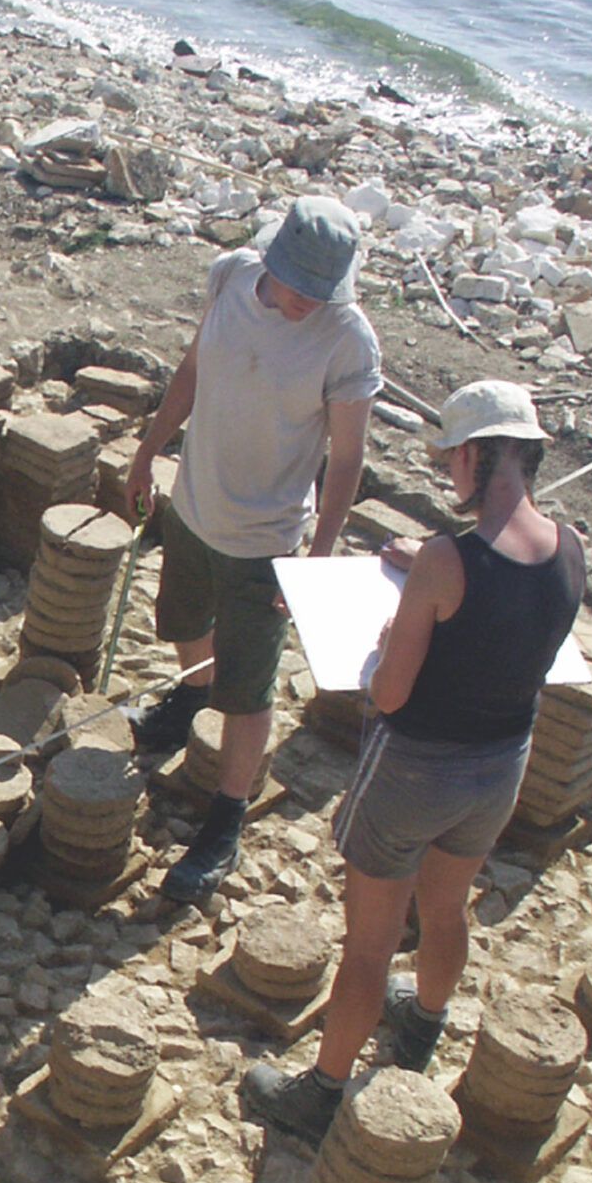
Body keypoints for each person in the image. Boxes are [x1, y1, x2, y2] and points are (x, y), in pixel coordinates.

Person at [241, 379, 587, 1142]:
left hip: (415, 771)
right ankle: (423, 1026)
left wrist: (384, 644)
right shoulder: (570, 547)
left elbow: (392, 695)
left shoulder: (443, 562)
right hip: (501, 766)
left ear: (472, 454)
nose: (448, 478)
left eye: (450, 463)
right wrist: (427, 577)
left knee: (368, 943)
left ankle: (321, 1092)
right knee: (445, 907)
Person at [125, 196, 382, 903]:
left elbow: (349, 457)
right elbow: (193, 370)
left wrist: (316, 560)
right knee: (180, 624)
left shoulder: (346, 338)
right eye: (299, 287)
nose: (306, 303)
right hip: (196, 502)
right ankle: (188, 696)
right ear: (273, 262)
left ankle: (225, 821)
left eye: (320, 293)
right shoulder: (232, 275)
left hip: (268, 538)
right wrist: (148, 451)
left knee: (250, 690)